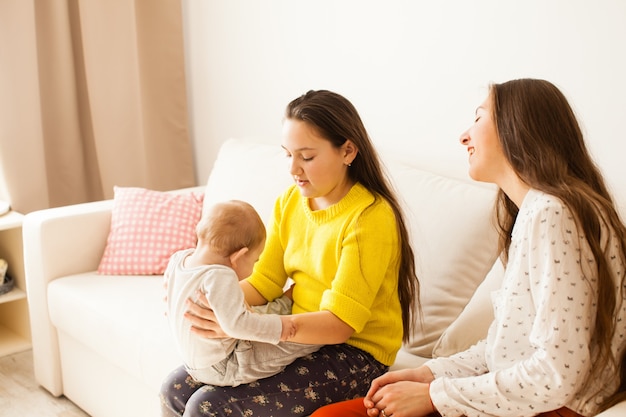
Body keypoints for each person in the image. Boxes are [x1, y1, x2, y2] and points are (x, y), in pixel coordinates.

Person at [310, 78, 626, 417]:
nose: (464, 136)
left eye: (478, 118)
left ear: (515, 127)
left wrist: (436, 396)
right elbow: (506, 348)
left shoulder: (554, 214)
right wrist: (431, 373)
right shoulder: (541, 212)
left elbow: (556, 375)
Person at [159, 89, 420, 417]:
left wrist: (244, 326)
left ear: (348, 151)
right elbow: (264, 282)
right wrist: (203, 302)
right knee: (174, 389)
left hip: (354, 354)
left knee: (206, 406)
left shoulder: (369, 218)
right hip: (297, 336)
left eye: (306, 157)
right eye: (287, 154)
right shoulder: (290, 202)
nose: (294, 169)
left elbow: (340, 325)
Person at [164, 199, 322, 387]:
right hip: (225, 366)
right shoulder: (221, 275)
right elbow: (238, 325)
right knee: (300, 341)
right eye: (255, 260)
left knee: (250, 314)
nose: (255, 268)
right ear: (238, 257)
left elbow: (168, 298)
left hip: (192, 362)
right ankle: (314, 331)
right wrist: (281, 328)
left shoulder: (178, 260)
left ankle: (286, 304)